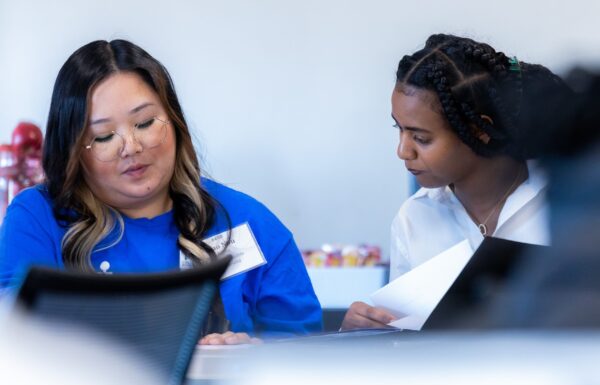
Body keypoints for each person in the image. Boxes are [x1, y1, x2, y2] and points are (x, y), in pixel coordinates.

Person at [0, 39, 322, 344]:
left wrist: (251, 352)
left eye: (144, 123)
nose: (132, 147)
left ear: (174, 121)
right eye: (103, 137)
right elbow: (15, 340)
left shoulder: (248, 222)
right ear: (73, 151)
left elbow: (302, 349)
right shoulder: (38, 217)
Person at [341, 33, 569, 330]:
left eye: (421, 138)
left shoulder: (566, 205)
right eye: (399, 130)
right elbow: (403, 341)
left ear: (480, 130)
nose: (402, 151)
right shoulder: (414, 217)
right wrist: (364, 333)